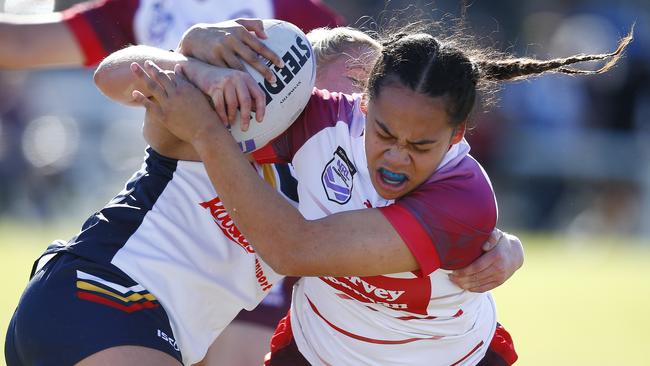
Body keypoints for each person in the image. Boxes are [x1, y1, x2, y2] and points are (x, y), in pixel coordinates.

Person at [4, 22, 523, 366]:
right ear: (294, 85)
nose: (345, 115)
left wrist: (498, 245)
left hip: (151, 330)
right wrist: (196, 57)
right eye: (342, 94)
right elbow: (116, 76)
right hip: (100, 292)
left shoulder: (345, 184)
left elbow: (419, 224)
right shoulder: (229, 119)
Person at [126, 21, 632, 365]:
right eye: (385, 134)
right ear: (361, 104)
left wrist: (209, 134)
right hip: (315, 352)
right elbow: (137, 97)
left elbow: (293, 249)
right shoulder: (322, 119)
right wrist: (193, 49)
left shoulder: (466, 200)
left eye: (421, 145)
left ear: (458, 137)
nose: (396, 157)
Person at [0, 0, 344, 69]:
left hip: (279, 198)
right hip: (178, 196)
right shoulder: (136, 8)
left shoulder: (295, 13)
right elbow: (21, 44)